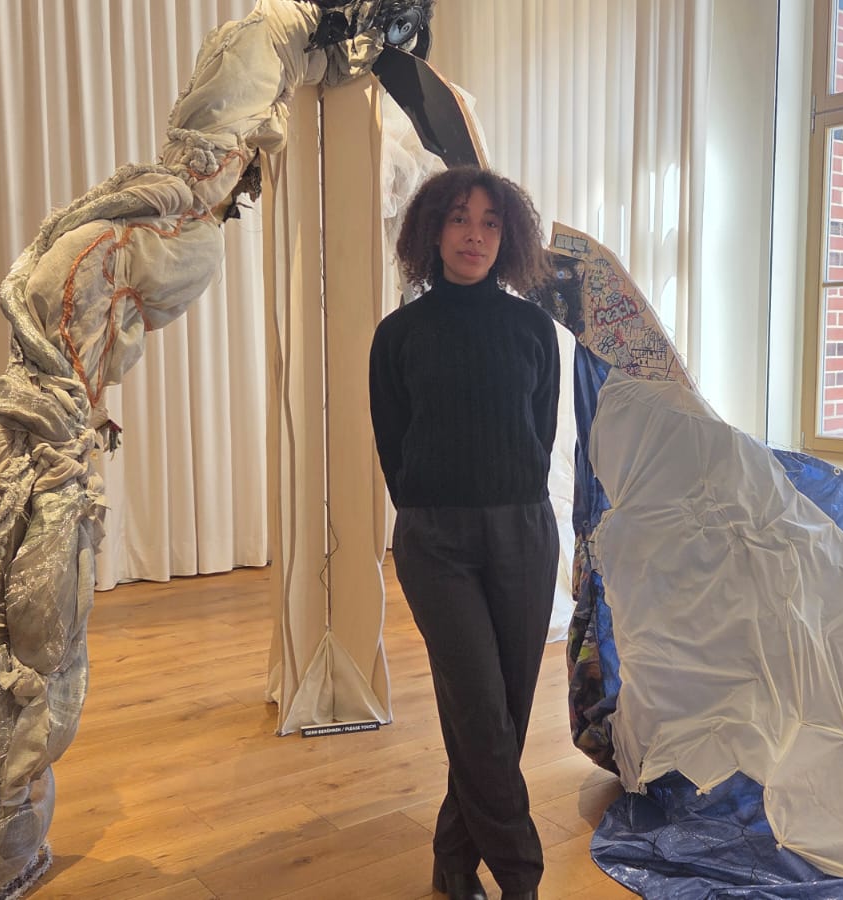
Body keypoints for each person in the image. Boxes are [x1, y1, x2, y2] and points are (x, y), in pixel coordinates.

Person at [368, 166, 559, 900]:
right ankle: (521, 878)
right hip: (436, 542)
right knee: (479, 708)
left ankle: (453, 864)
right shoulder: (399, 335)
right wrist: (429, 509)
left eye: (489, 222)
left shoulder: (532, 329)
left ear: (507, 236)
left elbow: (538, 432)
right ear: (431, 232)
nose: (474, 234)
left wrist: (509, 501)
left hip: (523, 533)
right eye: (458, 218)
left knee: (499, 719)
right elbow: (395, 441)